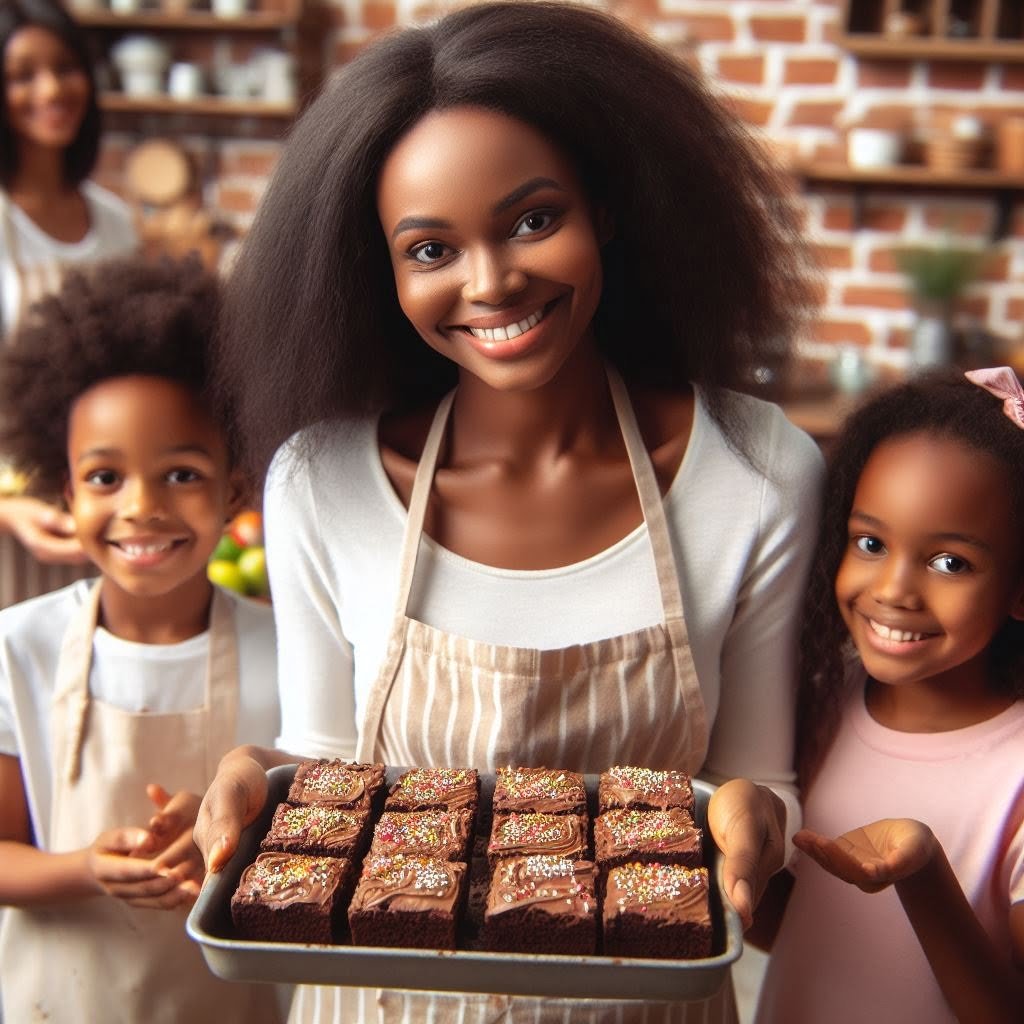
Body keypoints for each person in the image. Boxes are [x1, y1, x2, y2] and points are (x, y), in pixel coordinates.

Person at [194, 3, 823, 1021]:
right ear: (379, 271)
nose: (492, 283)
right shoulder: (322, 481)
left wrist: (761, 821)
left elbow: (758, 783)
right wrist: (253, 778)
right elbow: (325, 772)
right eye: (430, 249)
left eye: (534, 220)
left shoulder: (751, 473)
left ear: (607, 208)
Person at [0, 256, 284, 1024]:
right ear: (62, 487)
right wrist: (87, 869)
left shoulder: (286, 651)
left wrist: (234, 834)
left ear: (236, 487)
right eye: (104, 478)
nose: (142, 509)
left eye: (182, 475)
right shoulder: (16, 648)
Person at [754, 369, 1024, 1024]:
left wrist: (923, 874)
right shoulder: (822, 703)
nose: (895, 589)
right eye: (871, 543)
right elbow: (800, 928)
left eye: (950, 562)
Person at [0, 0, 138, 609]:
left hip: (103, 512)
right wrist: (8, 509)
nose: (51, 89)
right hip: (14, 525)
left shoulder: (114, 222)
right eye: (22, 75)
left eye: (65, 67)